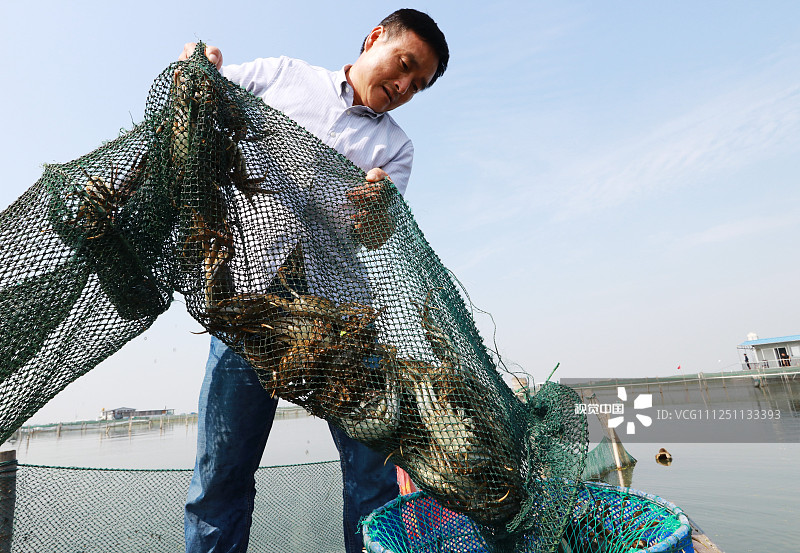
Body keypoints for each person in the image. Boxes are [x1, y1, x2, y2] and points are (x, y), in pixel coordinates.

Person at [180, 9, 449, 553]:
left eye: (416, 86)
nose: (402, 87)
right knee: (220, 475)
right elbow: (204, 88)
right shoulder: (282, 76)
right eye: (403, 66)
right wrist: (197, 64)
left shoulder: (396, 150)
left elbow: (374, 237)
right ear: (375, 38)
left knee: (374, 481)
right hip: (250, 309)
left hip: (342, 326)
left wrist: (378, 207)